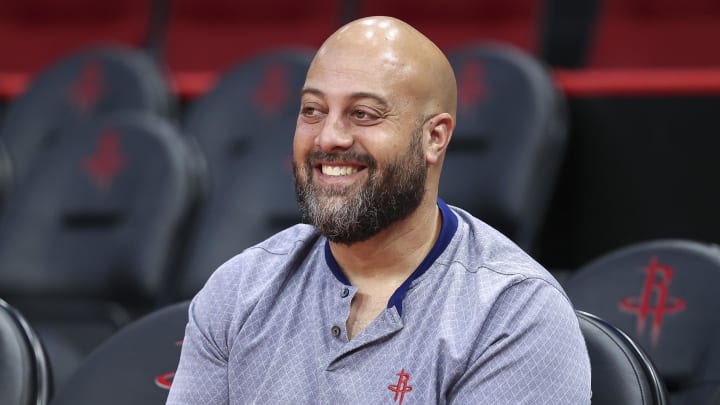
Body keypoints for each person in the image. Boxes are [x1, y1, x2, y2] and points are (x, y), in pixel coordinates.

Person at [167, 16, 591, 404]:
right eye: (312, 110)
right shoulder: (239, 289)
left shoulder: (514, 313)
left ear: (434, 137)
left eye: (363, 114)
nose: (328, 137)